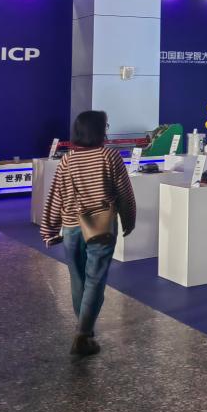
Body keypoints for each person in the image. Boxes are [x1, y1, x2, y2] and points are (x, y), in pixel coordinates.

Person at [41, 110, 137, 357]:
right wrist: (128, 219)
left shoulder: (67, 160)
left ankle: (84, 330)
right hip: (102, 227)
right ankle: (83, 334)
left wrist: (49, 228)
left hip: (71, 227)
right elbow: (124, 192)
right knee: (95, 279)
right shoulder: (109, 156)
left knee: (77, 278)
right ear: (99, 130)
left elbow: (56, 195)